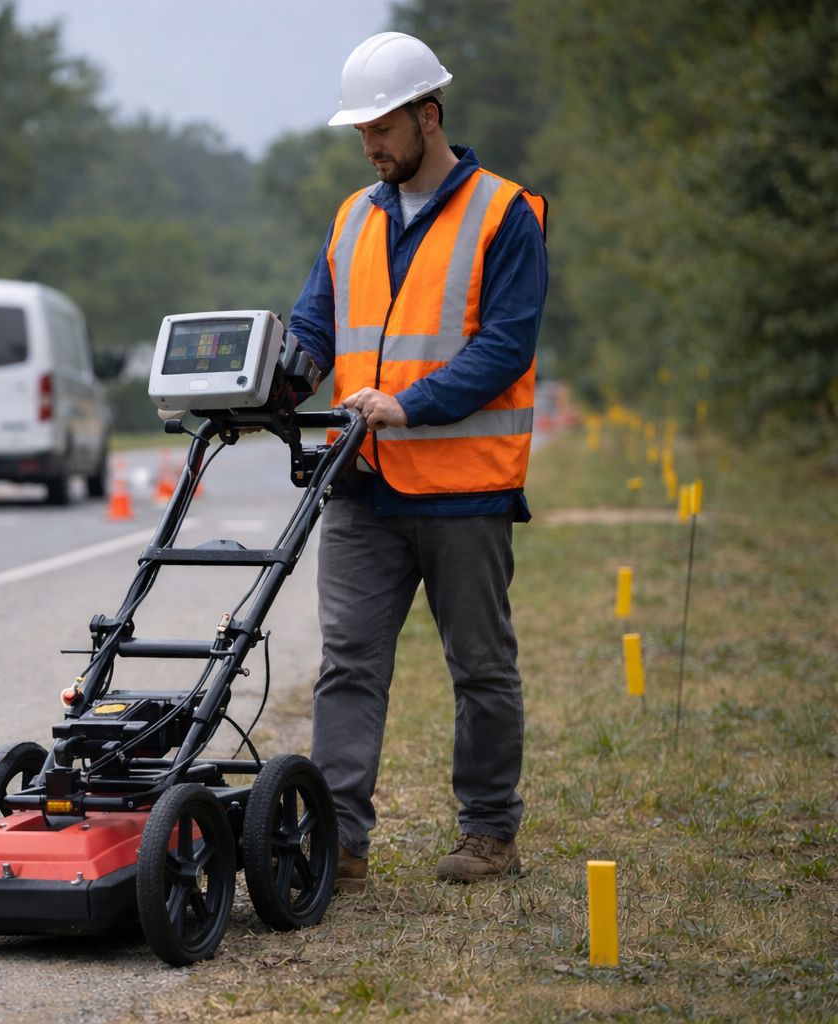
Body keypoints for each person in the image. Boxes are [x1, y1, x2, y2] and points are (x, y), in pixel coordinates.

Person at [287, 31, 548, 889]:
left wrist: (411, 402)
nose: (369, 144)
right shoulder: (353, 216)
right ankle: (340, 844)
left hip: (464, 492)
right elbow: (316, 329)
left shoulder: (505, 214)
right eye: (360, 130)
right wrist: (269, 383)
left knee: (479, 668)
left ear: (428, 118)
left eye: (382, 127)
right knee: (349, 665)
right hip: (361, 486)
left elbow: (505, 346)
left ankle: (487, 832)